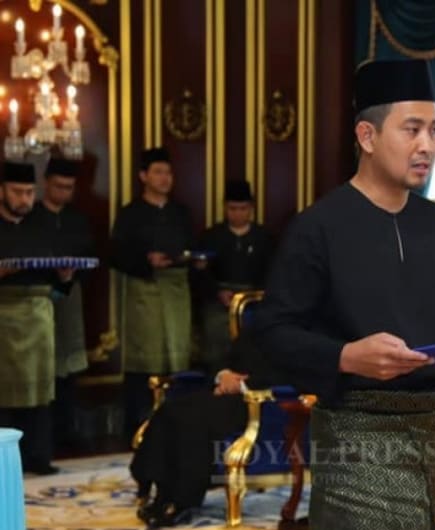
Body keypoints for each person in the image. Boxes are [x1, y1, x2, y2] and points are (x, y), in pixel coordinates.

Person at [255, 59, 435, 530]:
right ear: (367, 136)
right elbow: (270, 332)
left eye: (434, 130)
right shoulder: (318, 227)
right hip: (362, 443)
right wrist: (345, 356)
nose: (427, 145)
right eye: (411, 130)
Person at [130, 327, 282, 529]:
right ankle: (161, 494)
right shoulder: (261, 323)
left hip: (261, 401)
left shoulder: (303, 327)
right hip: (222, 393)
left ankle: (181, 501)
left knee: (192, 420)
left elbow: (292, 370)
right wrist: (223, 375)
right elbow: (226, 356)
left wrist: (242, 386)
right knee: (171, 410)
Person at [111, 147, 195, 441]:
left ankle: (176, 429)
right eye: (158, 172)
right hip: (143, 294)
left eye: (168, 172)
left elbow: (192, 247)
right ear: (143, 176)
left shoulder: (180, 213)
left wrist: (189, 258)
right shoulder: (130, 214)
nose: (164, 178)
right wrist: (147, 261)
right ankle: (138, 430)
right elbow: (116, 254)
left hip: (177, 293)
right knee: (144, 364)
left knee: (177, 361)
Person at [0, 161, 73, 474]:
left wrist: (65, 277)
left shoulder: (43, 226)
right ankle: (4, 462)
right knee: (4, 392)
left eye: (30, 192)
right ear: (2, 191)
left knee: (41, 389)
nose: (24, 199)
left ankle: (39, 457)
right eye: (17, 192)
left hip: (39, 314)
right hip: (3, 315)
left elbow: (59, 285)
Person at [32, 157, 95, 451]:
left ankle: (67, 431)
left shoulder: (77, 219)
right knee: (40, 364)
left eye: (69, 188)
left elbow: (89, 255)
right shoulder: (32, 216)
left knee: (68, 366)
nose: (64, 192)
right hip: (38, 295)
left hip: (70, 296)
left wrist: (70, 275)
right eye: (59, 186)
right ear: (46, 184)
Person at [195, 179, 273, 371]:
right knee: (215, 340)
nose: (238, 213)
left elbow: (272, 272)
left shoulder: (264, 237)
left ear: (251, 208)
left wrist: (252, 296)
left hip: (254, 300)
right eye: (233, 209)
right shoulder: (211, 236)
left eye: (243, 208)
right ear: (225, 208)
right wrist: (217, 291)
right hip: (219, 301)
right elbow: (200, 273)